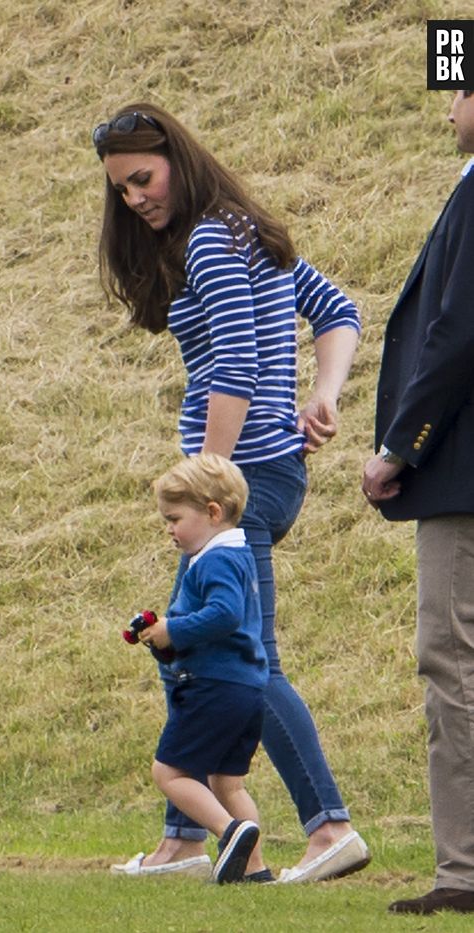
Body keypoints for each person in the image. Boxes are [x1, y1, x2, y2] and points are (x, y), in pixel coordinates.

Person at [95, 101, 370, 883]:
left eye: (142, 179)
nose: (134, 198)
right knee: (199, 647)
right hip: (271, 474)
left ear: (177, 159)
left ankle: (329, 828)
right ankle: (186, 839)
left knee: (251, 660)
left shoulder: (215, 241)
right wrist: (325, 394)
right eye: (120, 190)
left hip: (236, 479)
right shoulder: (242, 230)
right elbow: (338, 311)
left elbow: (236, 371)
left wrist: (207, 480)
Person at [362, 90, 474, 916]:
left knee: (452, 658)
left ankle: (466, 870)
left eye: (461, 92)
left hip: (464, 477)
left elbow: (456, 329)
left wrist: (402, 443)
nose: (448, 110)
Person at [140, 453, 267, 883]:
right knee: (227, 782)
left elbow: (224, 615)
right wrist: (164, 644)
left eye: (175, 518)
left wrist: (173, 629)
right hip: (246, 687)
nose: (169, 530)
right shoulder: (239, 555)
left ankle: (229, 833)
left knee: (169, 771)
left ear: (213, 512)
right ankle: (254, 870)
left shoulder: (214, 559)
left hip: (215, 686)